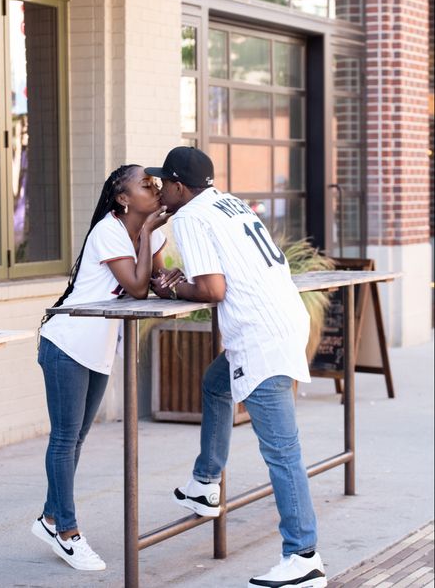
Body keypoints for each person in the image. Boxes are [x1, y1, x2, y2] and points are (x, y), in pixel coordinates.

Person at [146, 147, 327, 588]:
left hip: (260, 339)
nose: (159, 192)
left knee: (282, 453)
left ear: (179, 186)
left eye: (163, 184)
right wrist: (181, 282)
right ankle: (206, 483)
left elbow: (213, 288)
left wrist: (174, 292)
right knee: (215, 385)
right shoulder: (227, 203)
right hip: (282, 323)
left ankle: (303, 556)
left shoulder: (188, 217)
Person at [33, 165, 181, 571]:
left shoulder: (152, 233)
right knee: (65, 439)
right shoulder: (109, 231)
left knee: (77, 438)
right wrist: (149, 238)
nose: (155, 188)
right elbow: (135, 287)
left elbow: (152, 280)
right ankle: (67, 531)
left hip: (96, 347)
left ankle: (48, 517)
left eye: (156, 183)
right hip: (67, 342)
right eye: (145, 184)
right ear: (123, 198)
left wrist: (169, 278)